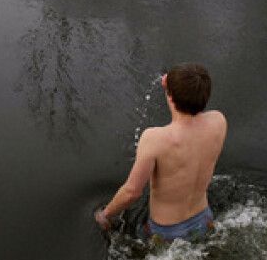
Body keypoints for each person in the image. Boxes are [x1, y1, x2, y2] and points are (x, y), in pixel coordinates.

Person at [94, 63, 227, 242]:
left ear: (170, 96)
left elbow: (132, 192)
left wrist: (105, 215)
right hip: (204, 219)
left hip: (166, 232)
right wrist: (176, 87)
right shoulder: (218, 122)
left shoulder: (155, 139)